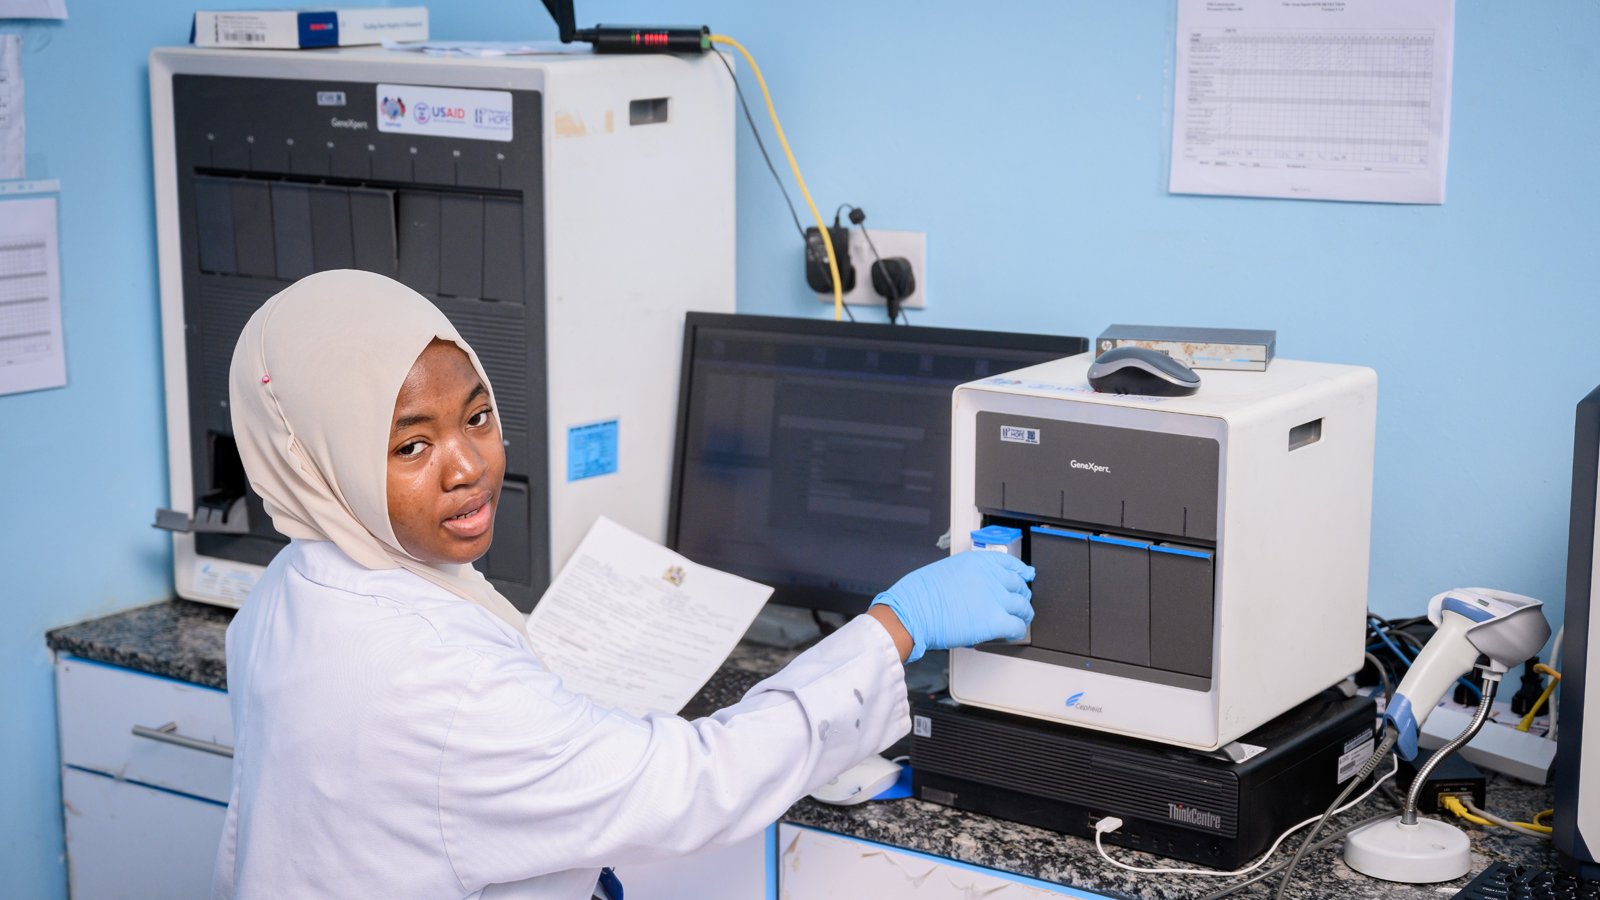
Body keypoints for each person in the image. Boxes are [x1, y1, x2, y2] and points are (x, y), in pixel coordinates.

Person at [215, 269, 1034, 899]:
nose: (468, 467)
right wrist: (898, 624)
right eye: (410, 447)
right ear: (315, 455)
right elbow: (695, 785)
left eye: (476, 416)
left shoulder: (291, 587)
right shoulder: (444, 683)